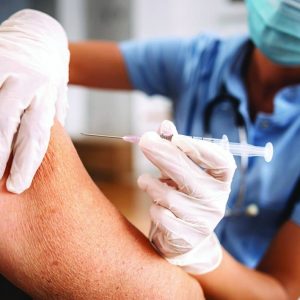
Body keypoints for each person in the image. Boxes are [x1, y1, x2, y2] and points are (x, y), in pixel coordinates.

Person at [1, 1, 300, 298]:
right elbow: (61, 60)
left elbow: (283, 293)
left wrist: (203, 254)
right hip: (168, 270)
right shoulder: (201, 60)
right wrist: (38, 37)